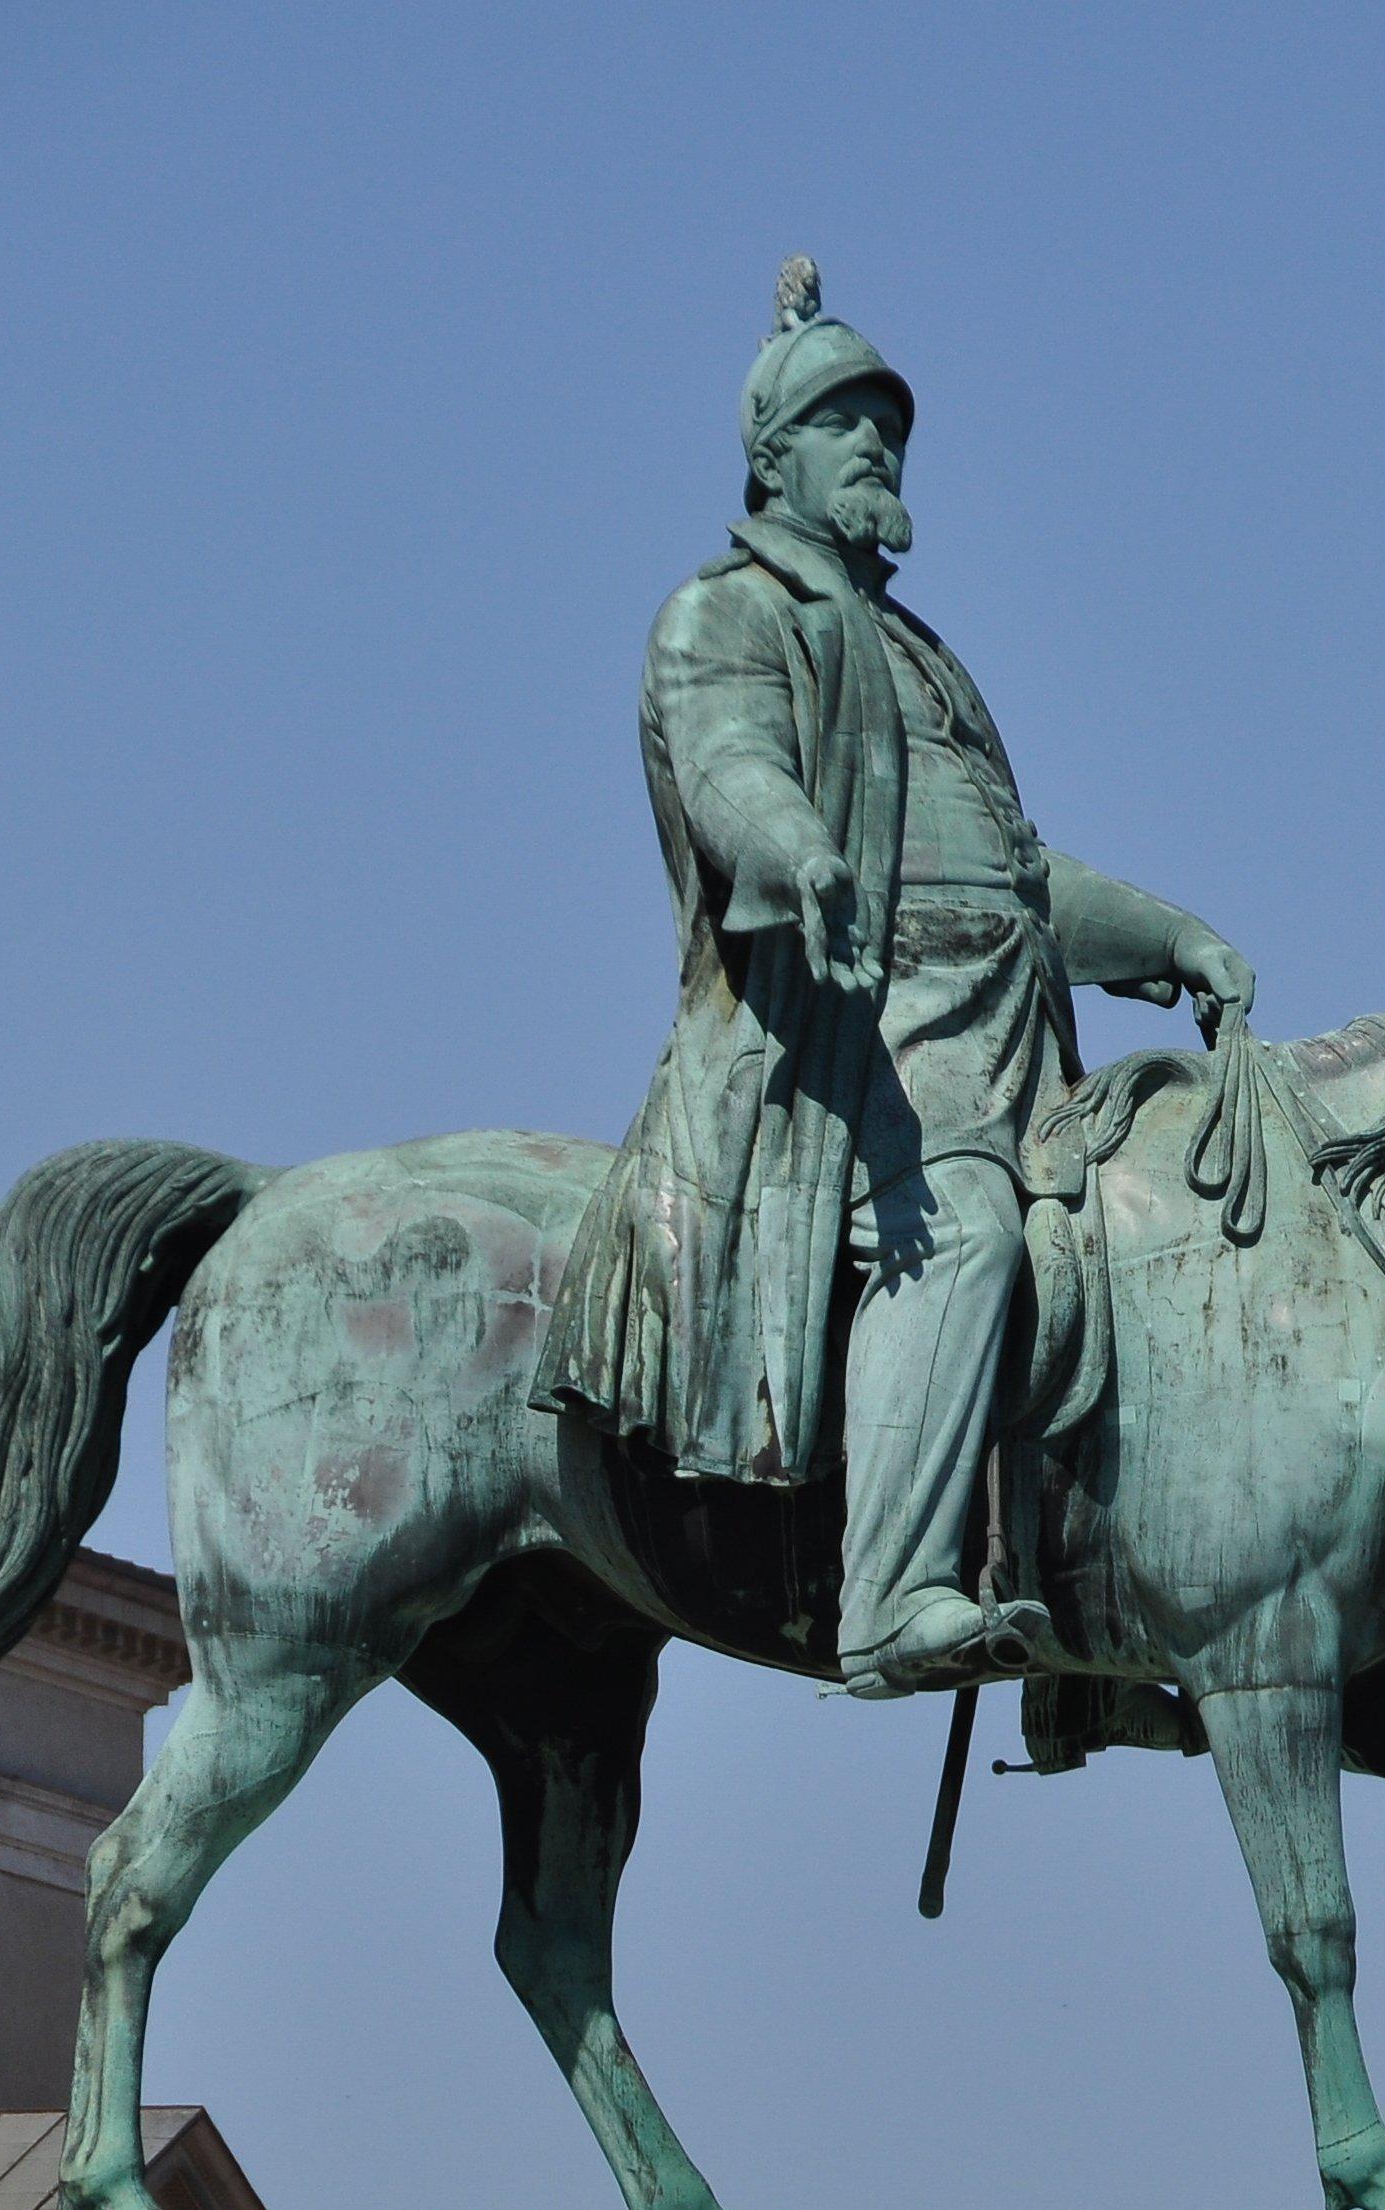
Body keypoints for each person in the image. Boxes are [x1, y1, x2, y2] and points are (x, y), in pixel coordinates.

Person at [545, 260, 1253, 1697]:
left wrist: (1174, 937)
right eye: (840, 419)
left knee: (1135, 1251)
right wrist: (799, 853)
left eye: (888, 424)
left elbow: (1026, 880)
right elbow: (733, 767)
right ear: (772, 456)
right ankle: (893, 1596)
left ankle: (1098, 1649)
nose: (875, 444)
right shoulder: (728, 615)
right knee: (973, 1233)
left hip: (1000, 1036)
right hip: (844, 1040)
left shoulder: (927, 662)